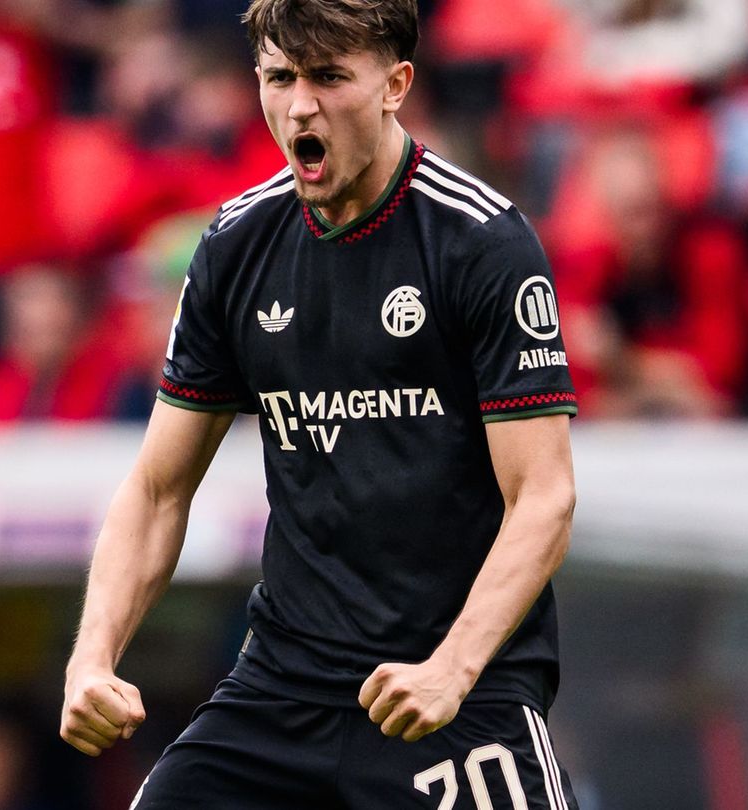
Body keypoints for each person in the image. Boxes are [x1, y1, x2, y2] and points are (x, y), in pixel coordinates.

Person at [59, 1, 580, 807]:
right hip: (283, 693)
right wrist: (92, 658)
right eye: (280, 77)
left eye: (330, 76)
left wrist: (451, 669)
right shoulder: (235, 247)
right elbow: (159, 488)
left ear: (394, 84)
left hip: (453, 696)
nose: (301, 104)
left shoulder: (481, 242)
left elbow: (543, 496)